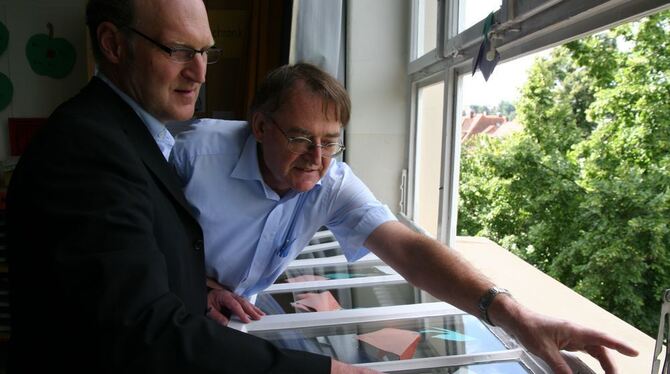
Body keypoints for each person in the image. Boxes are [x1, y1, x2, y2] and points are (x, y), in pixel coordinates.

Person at [170, 62, 640, 374]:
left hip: (228, 322)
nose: (317, 157)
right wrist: (197, 288)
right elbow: (120, 241)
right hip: (160, 312)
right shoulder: (190, 155)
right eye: (300, 137)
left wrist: (515, 316)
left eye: (330, 141)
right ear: (259, 127)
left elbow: (408, 249)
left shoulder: (332, 181)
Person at [6, 1, 375, 373]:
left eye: (205, 52)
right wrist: (330, 370)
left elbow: (131, 269)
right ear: (113, 45)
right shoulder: (86, 149)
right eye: (179, 50)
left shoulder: (130, 138)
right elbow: (142, 330)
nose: (200, 73)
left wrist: (200, 292)